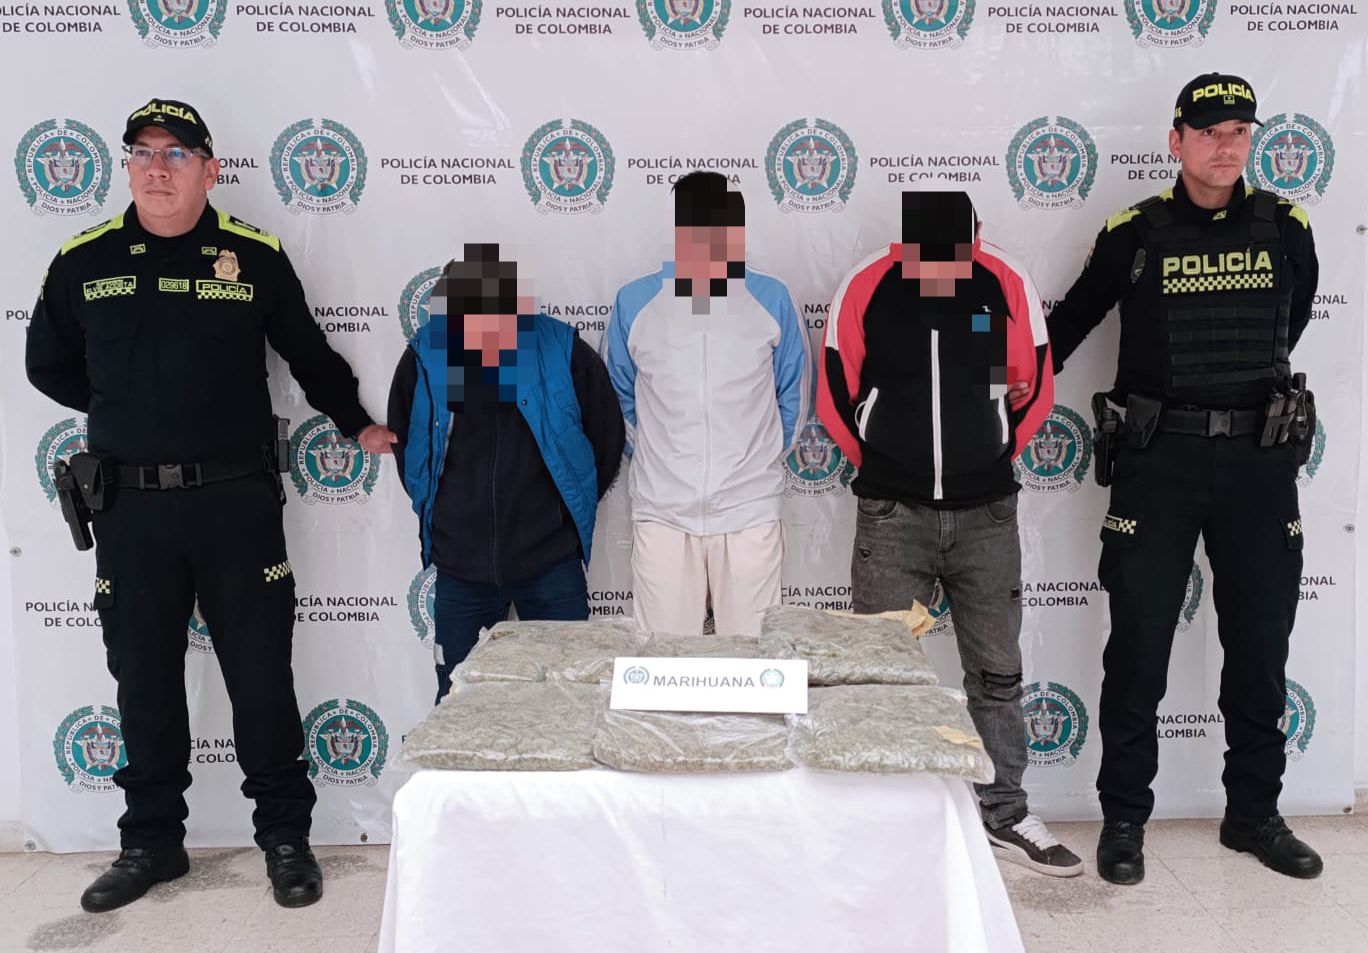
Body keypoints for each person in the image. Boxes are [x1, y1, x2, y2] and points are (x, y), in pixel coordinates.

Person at [25, 98, 396, 912]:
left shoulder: (253, 257)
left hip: (236, 503)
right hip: (131, 509)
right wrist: (125, 408)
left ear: (209, 170)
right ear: (127, 166)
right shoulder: (84, 260)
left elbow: (307, 353)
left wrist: (357, 423)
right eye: (143, 153)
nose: (157, 168)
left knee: (260, 674)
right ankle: (151, 843)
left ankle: (285, 837)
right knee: (144, 679)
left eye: (177, 154)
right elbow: (45, 365)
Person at [1048, 73, 1322, 885]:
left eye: (1239, 131)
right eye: (1209, 131)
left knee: (1261, 646)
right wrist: (987, 389)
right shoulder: (1135, 232)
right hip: (1158, 461)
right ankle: (1124, 818)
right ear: (1176, 142)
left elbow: (1291, 323)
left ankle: (1254, 814)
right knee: (1138, 647)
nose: (1226, 145)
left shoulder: (1286, 228)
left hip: (1259, 463)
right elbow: (1066, 327)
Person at [817, 189, 1081, 877]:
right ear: (905, 242)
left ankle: (1004, 812)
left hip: (984, 516)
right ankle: (887, 814)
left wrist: (989, 454)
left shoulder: (1002, 282)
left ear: (977, 236)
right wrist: (883, 466)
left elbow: (1030, 383)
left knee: (996, 672)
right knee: (882, 673)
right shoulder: (869, 284)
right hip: (892, 517)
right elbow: (837, 388)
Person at [387, 244, 625, 702]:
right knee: (459, 699)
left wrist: (560, 518)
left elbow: (605, 434)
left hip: (551, 562)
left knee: (569, 698)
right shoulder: (425, 355)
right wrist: (447, 520)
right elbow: (410, 446)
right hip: (460, 567)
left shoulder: (560, 348)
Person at [601, 171, 811, 637]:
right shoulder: (635, 301)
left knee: (753, 661)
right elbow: (618, 397)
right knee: (663, 661)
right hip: (664, 513)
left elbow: (794, 394)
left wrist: (755, 464)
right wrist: (662, 460)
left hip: (749, 510)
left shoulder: (771, 298)